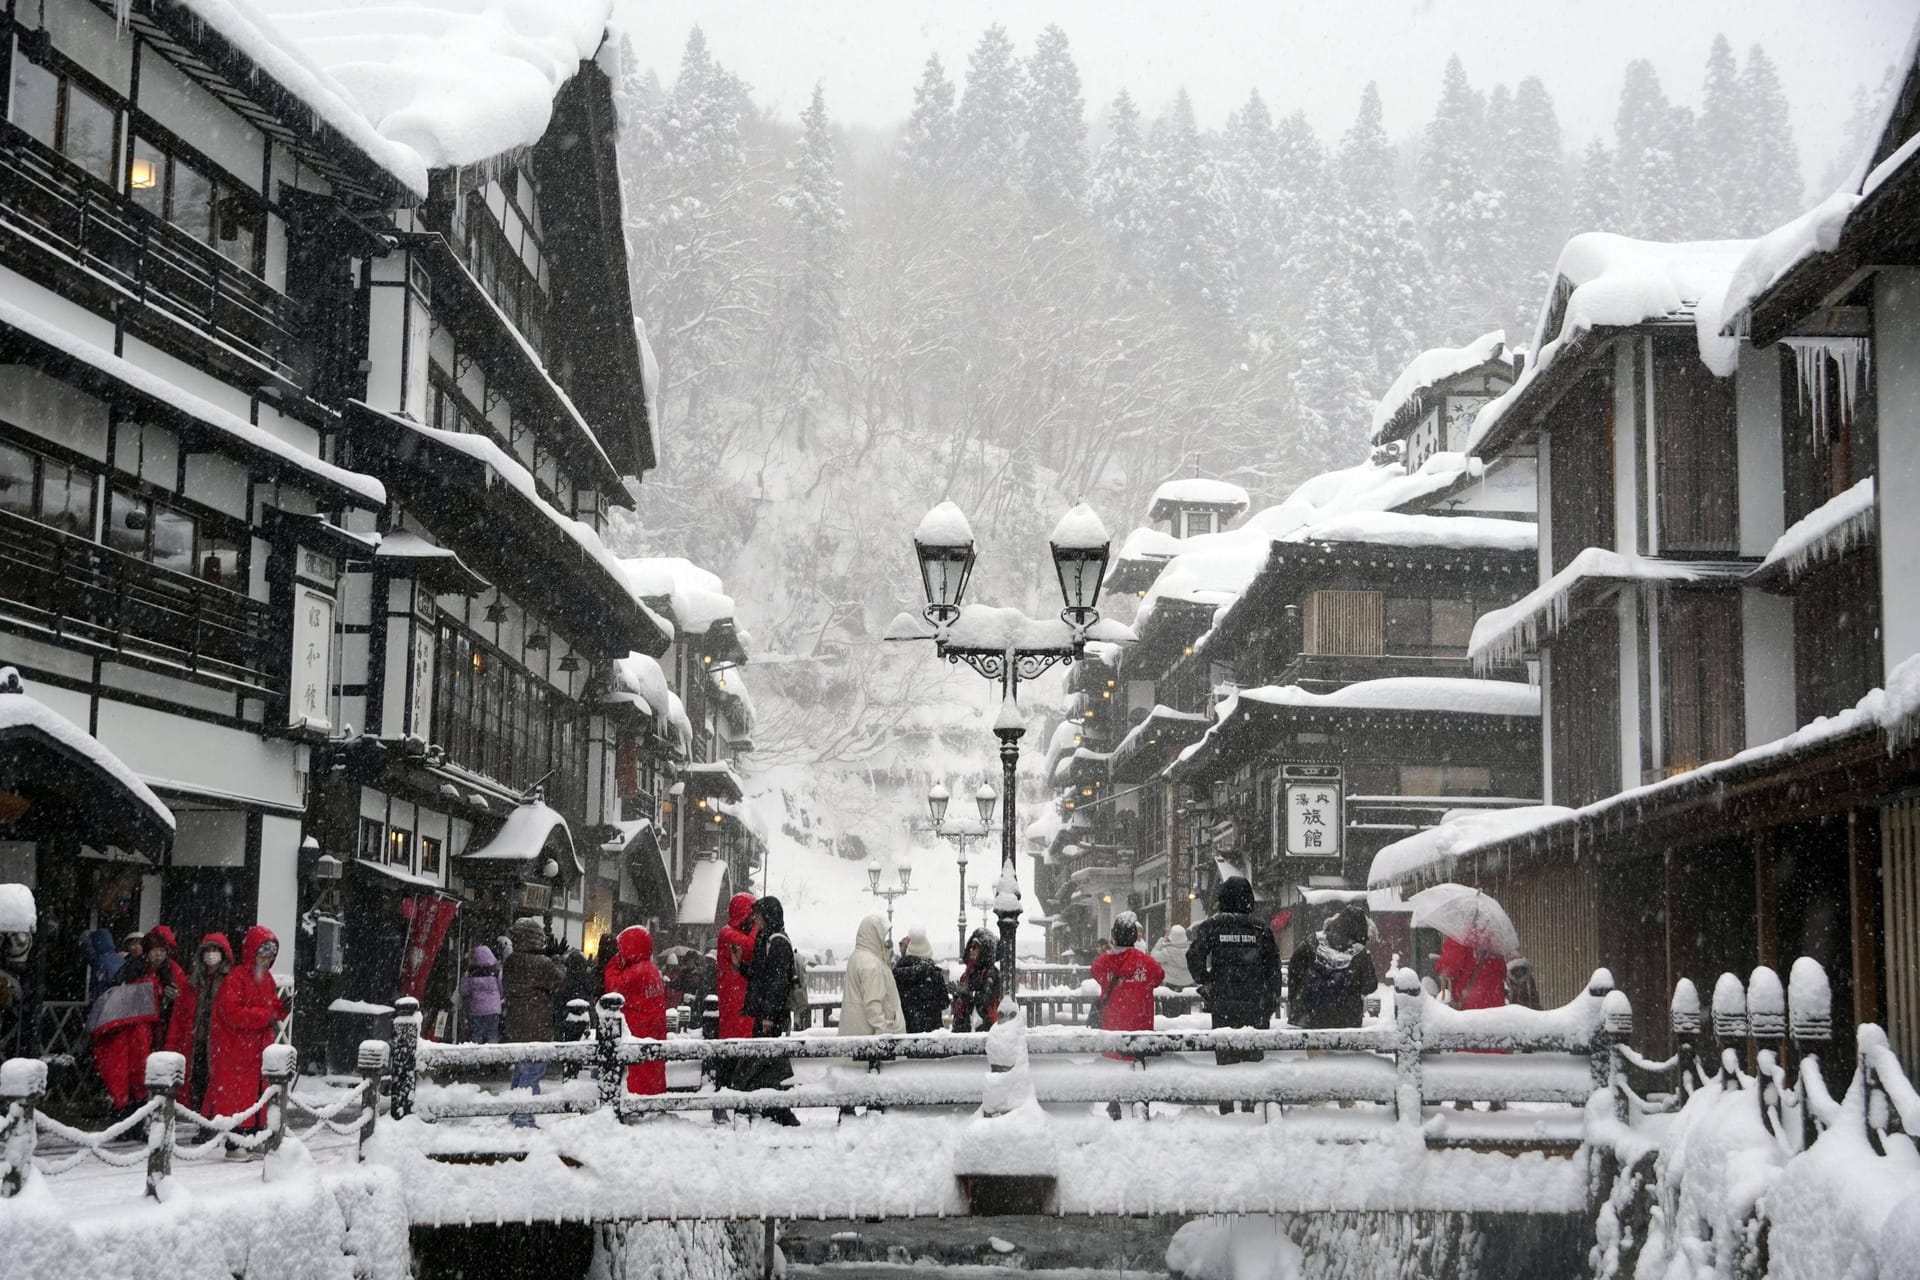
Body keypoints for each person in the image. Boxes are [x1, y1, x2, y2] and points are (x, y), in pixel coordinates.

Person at [1187, 877, 1283, 1113]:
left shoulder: (1213, 926)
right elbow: (1274, 969)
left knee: (1226, 1061)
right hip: (1256, 1005)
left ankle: (1227, 1109)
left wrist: (1207, 980)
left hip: (1224, 1004)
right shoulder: (1260, 929)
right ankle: (1250, 1110)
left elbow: (1194, 957)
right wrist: (1270, 1002)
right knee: (1252, 1063)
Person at [204, 926, 289, 1150]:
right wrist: (267, 1015)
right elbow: (232, 1013)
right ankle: (236, 1141)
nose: (267, 956)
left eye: (271, 952)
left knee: (256, 1095)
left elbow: (268, 1008)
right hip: (237, 1050)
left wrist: (281, 1009)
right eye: (263, 950)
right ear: (253, 950)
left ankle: (255, 1135)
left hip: (257, 1049)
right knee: (238, 1098)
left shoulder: (267, 979)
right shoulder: (236, 978)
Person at [1092, 914, 1164, 1120]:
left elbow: (1095, 971)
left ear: (1114, 936)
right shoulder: (1147, 963)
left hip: (1113, 1027)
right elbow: (1159, 976)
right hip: (1140, 1028)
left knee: (1115, 1069)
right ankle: (1140, 1105)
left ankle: (1115, 1105)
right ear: (1135, 936)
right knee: (1138, 1068)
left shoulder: (1102, 962)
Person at [738, 896, 799, 1126]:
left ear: (768, 915)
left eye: (758, 914)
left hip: (769, 1015)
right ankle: (774, 1107)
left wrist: (769, 1016)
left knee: (768, 1060)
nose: (754, 918)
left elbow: (777, 982)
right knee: (767, 1060)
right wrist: (740, 965)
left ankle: (778, 1109)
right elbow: (761, 976)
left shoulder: (777, 942)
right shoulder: (766, 939)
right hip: (765, 1012)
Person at [501, 916, 561, 1125]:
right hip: (537, 1023)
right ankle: (524, 1116)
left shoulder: (511, 961)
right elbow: (560, 983)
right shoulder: (542, 963)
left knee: (520, 1069)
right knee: (533, 1070)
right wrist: (557, 959)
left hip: (515, 1022)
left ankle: (515, 1110)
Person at [168, 933, 232, 1112]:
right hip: (198, 1042)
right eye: (208, 950)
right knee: (197, 1082)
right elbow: (179, 1016)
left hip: (220, 1044)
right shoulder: (192, 983)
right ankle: (202, 1120)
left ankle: (210, 1119)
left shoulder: (231, 981)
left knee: (217, 1084)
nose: (211, 954)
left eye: (215, 950)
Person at [1287, 907, 1376, 1030]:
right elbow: (1370, 985)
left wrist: (1298, 1001)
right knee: (1343, 1048)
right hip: (1347, 1020)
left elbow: (1294, 969)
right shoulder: (1360, 953)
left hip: (1311, 1017)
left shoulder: (1312, 942)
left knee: (1316, 1048)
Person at [604, 926, 668, 1097]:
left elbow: (613, 987)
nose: (620, 953)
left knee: (639, 1074)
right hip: (652, 1030)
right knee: (652, 1070)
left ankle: (639, 1103)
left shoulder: (636, 972)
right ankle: (652, 1100)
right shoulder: (652, 969)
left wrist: (613, 963)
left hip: (638, 1030)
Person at [839, 915, 905, 1037]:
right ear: (874, 935)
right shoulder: (871, 964)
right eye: (882, 936)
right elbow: (872, 1003)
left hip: (855, 1031)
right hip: (870, 1038)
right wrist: (884, 1029)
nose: (883, 940)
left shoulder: (857, 956)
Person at [892, 928, 948, 1034]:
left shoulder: (897, 973)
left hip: (905, 1032)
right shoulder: (933, 973)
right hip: (930, 1034)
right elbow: (944, 1002)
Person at [1436, 933, 1509, 1013]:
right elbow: (1503, 972)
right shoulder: (1495, 941)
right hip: (1496, 1006)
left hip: (1471, 1005)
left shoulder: (1460, 937)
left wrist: (1440, 965)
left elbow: (1449, 968)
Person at [951, 928, 1002, 1031]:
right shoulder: (967, 973)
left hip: (982, 1030)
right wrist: (957, 995)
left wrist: (966, 992)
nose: (971, 950)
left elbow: (984, 1002)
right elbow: (962, 1006)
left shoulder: (990, 973)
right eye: (970, 946)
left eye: (975, 947)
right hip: (966, 1029)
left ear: (984, 950)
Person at [459, 944, 504, 1043]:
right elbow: (502, 989)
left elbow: (463, 991)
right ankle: (492, 1056)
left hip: (476, 1009)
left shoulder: (470, 974)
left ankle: (476, 1056)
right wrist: (497, 999)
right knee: (492, 1034)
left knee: (476, 1035)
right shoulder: (496, 972)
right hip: (493, 1010)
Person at [1152, 924, 1195, 989]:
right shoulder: (1191, 951)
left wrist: (1162, 939)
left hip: (1170, 984)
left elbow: (1152, 956)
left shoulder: (1166, 951)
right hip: (1189, 983)